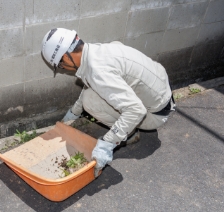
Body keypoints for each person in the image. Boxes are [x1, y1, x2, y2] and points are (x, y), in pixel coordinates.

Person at [41, 28, 175, 177]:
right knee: (94, 92)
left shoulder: (98, 71)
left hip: (154, 114)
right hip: (161, 90)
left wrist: (106, 145)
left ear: (65, 58)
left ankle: (130, 134)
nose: (63, 69)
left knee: (90, 102)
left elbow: (136, 110)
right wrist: (72, 114)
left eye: (60, 65)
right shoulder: (98, 50)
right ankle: (126, 127)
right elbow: (90, 83)